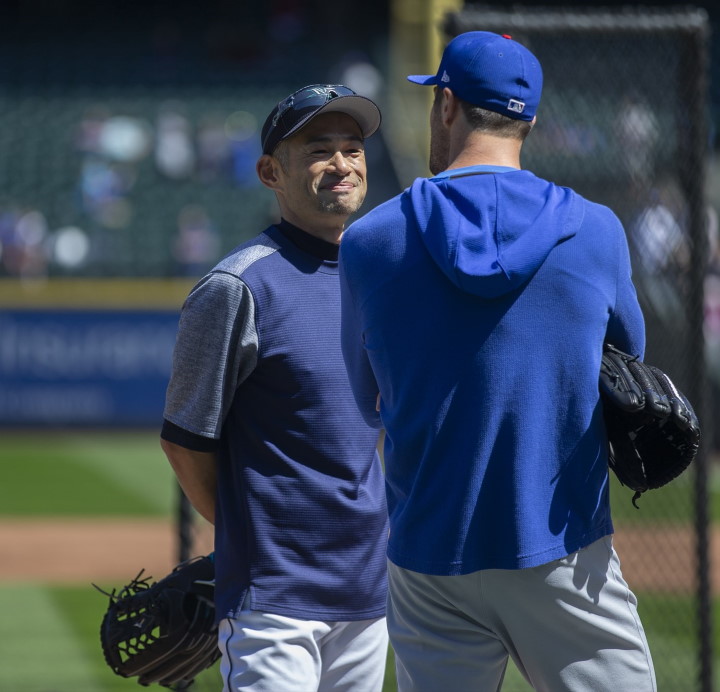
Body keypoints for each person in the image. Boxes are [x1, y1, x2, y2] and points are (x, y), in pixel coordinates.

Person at [339, 31, 657, 691]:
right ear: (530, 120)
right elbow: (630, 364)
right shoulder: (596, 229)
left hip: (429, 553)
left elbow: (362, 390)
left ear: (447, 105)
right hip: (560, 540)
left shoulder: (370, 241)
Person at [161, 84, 389, 692]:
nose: (342, 165)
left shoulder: (382, 281)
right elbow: (185, 439)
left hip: (369, 595)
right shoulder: (236, 287)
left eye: (353, 148)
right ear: (270, 172)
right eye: (320, 150)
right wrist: (246, 536)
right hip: (275, 600)